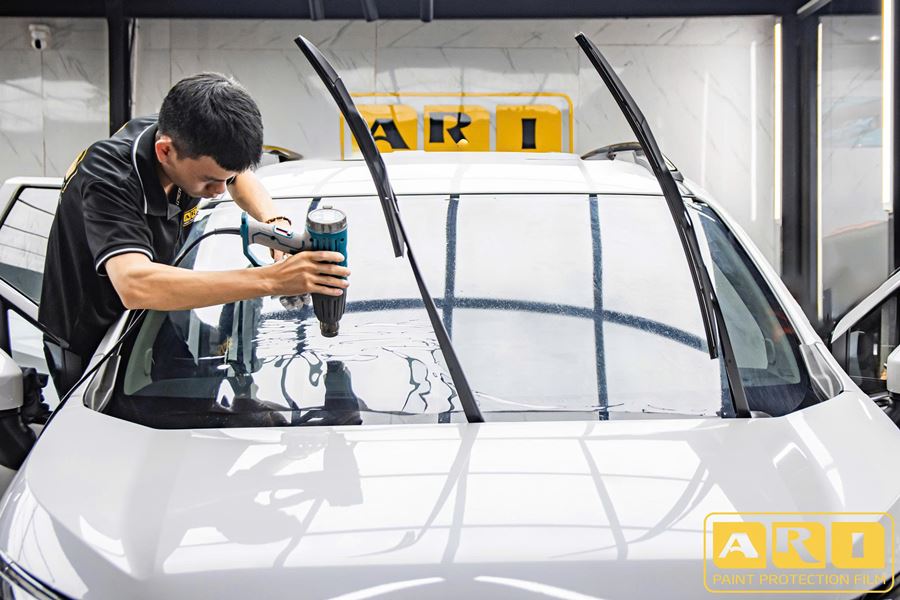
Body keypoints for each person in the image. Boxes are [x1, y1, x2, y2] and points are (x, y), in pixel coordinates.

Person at [39, 72, 350, 395]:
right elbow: (134, 284)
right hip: (91, 337)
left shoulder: (189, 136)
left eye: (225, 179)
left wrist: (275, 223)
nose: (219, 191)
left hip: (155, 314)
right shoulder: (109, 177)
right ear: (164, 152)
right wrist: (274, 280)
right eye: (209, 181)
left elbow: (238, 176)